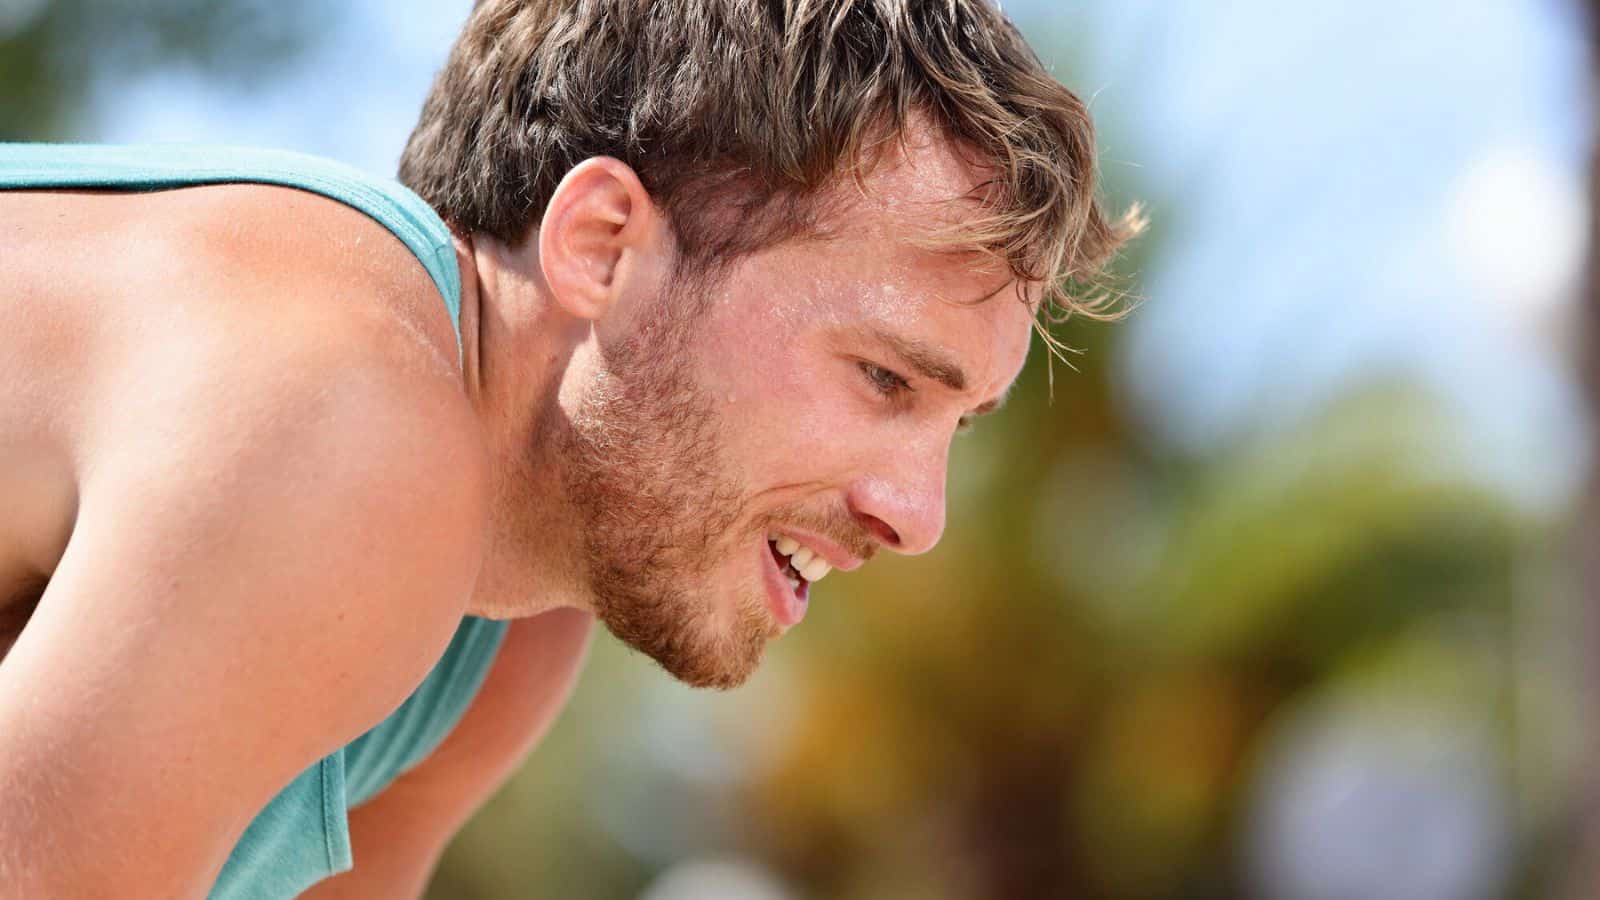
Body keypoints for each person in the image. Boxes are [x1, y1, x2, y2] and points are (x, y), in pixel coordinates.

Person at [0, 0, 1135, 896]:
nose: (920, 517)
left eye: (956, 423)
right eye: (885, 377)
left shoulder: (506, 631)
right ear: (601, 249)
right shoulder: (345, 415)